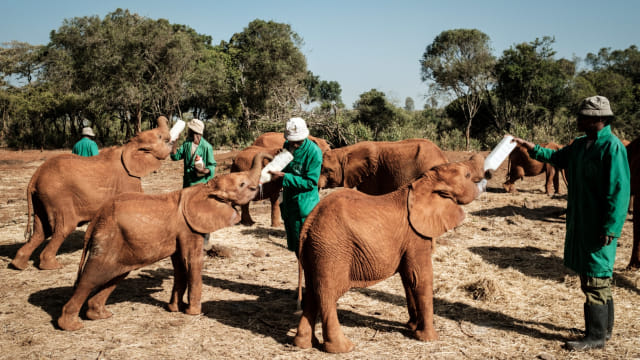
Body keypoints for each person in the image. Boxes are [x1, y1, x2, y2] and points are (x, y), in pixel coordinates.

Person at [511, 95, 630, 351]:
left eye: (583, 115)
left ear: (598, 119)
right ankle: (603, 331)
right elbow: (554, 157)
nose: (578, 118)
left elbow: (619, 191)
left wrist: (611, 226)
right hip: (582, 223)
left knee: (597, 277)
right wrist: (529, 146)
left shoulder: (612, 147)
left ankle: (596, 337)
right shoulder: (580, 144)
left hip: (599, 225)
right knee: (593, 276)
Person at [268, 117, 322, 254]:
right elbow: (284, 165)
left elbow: (311, 182)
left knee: (306, 248)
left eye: (297, 141)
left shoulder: (313, 153)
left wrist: (285, 177)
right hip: (288, 202)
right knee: (294, 245)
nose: (294, 145)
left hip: (304, 206)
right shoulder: (287, 145)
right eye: (292, 141)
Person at [170, 118, 216, 188]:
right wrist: (175, 141)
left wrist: (203, 171)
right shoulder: (187, 144)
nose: (188, 131)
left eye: (189, 129)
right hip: (188, 183)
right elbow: (175, 156)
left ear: (193, 131)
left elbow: (212, 166)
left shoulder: (207, 147)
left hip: (201, 184)